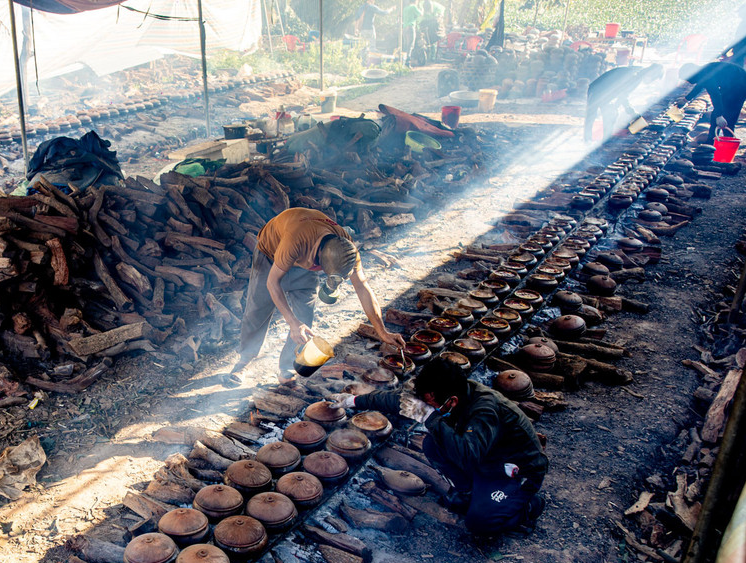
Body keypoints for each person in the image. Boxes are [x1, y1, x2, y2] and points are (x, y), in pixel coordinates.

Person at [334, 359, 547, 537]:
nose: (429, 408)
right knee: (433, 444)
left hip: (515, 470)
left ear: (452, 401)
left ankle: (527, 506)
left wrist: (430, 417)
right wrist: (352, 400)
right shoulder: (452, 390)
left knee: (479, 524)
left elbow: (468, 456)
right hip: (486, 459)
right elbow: (398, 400)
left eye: (432, 405)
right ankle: (469, 491)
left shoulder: (485, 410)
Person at [230, 208, 405, 384]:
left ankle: (287, 368)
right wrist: (292, 323)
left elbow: (362, 286)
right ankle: (245, 360)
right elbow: (272, 283)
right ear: (319, 257)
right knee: (258, 309)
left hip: (303, 259)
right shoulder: (295, 240)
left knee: (304, 316)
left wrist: (382, 331)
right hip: (271, 253)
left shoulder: (347, 251)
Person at [583, 64, 663, 142]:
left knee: (610, 116)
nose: (651, 81)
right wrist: (630, 111)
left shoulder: (638, 74)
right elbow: (622, 95)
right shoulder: (635, 75)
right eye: (653, 78)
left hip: (608, 92)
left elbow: (622, 93)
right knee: (591, 115)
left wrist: (620, 107)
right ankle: (588, 139)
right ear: (651, 73)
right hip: (597, 89)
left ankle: (606, 140)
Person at [676, 61, 746, 139]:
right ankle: (711, 141)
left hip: (741, 86)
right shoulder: (703, 72)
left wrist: (719, 115)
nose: (688, 82)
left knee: (729, 116)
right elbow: (699, 86)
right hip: (731, 85)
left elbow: (715, 95)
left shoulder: (706, 75)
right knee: (715, 116)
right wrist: (686, 100)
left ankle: (727, 142)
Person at [401, 0, 423, 65]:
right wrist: (422, 8)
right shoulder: (413, 7)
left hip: (404, 28)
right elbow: (421, 14)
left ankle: (403, 61)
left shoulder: (405, 8)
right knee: (410, 45)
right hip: (410, 27)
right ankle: (407, 62)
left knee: (405, 45)